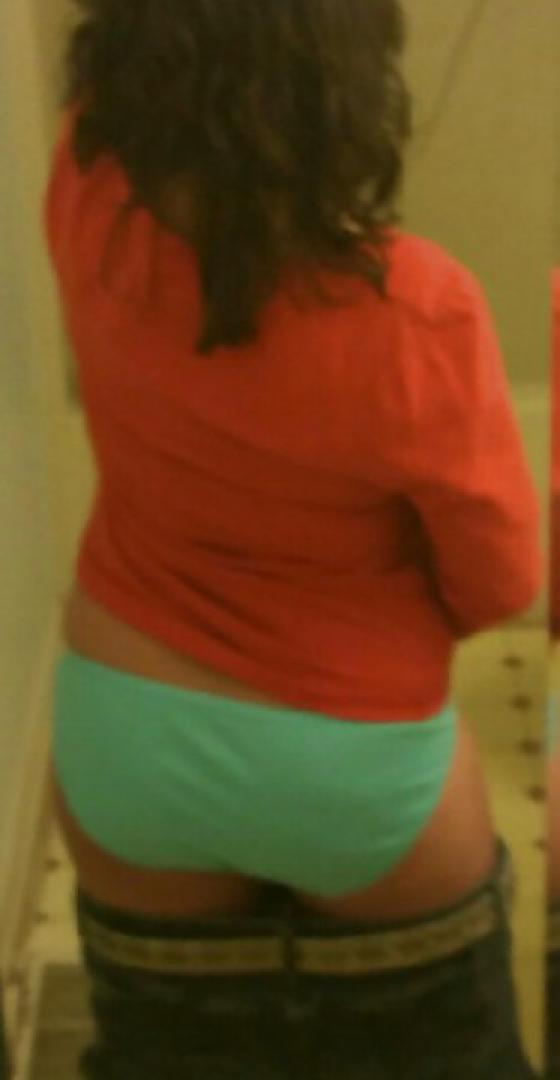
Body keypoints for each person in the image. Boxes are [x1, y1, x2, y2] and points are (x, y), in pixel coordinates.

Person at [45, 2, 542, 1077]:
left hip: (126, 741)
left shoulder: (82, 194)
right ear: (345, 92)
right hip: (353, 770)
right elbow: (502, 582)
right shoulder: (420, 310)